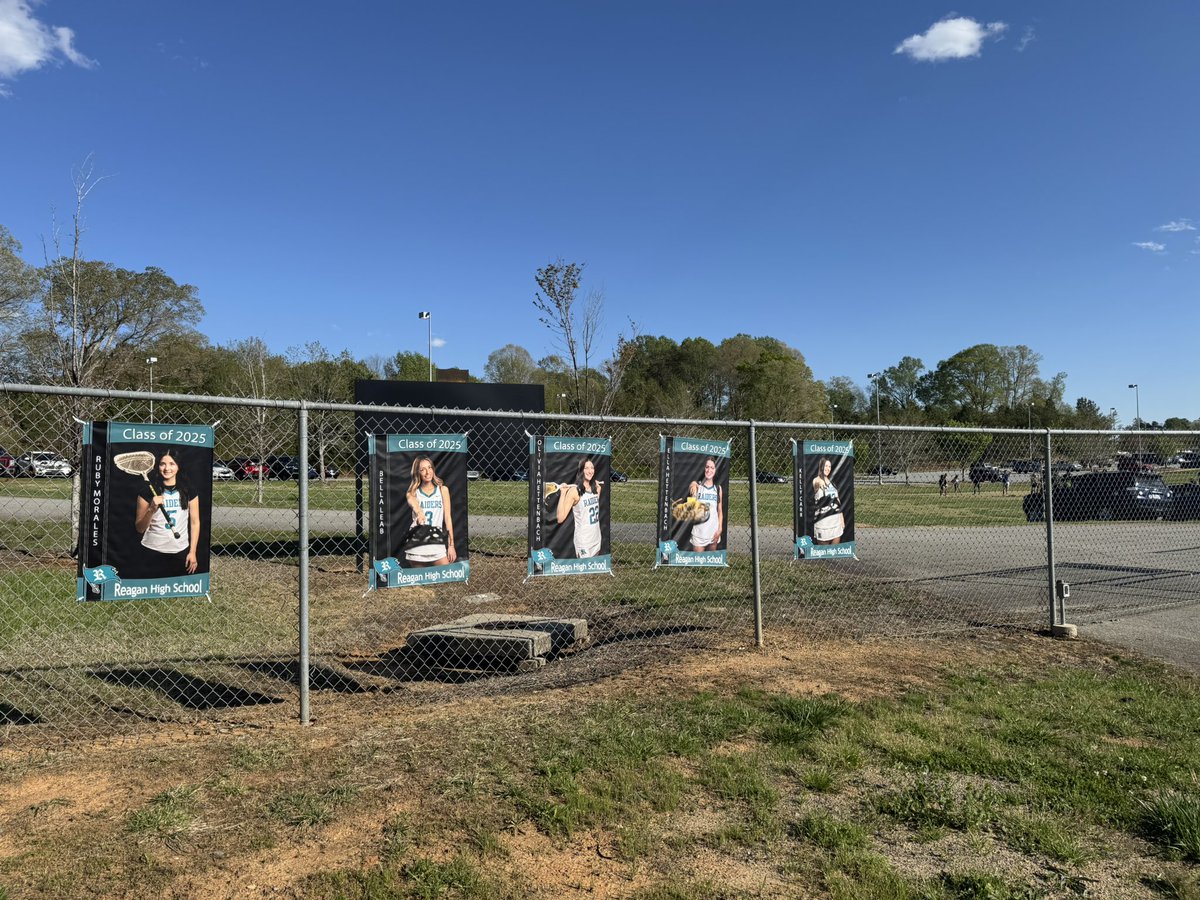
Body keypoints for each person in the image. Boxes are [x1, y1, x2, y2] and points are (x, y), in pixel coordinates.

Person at [135, 450, 201, 578]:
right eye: (162, 464)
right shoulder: (147, 492)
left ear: (178, 466)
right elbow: (139, 528)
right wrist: (151, 509)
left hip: (181, 550)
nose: (167, 468)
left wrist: (192, 552)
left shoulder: (189, 491)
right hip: (151, 550)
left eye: (172, 464)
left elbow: (195, 522)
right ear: (157, 466)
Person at [404, 456, 456, 567]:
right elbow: (412, 502)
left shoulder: (442, 490)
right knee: (419, 582)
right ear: (417, 473)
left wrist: (451, 545)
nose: (427, 472)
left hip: (436, 541)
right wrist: (419, 512)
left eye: (429, 467)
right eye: (422, 469)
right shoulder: (413, 492)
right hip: (417, 543)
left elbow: (447, 518)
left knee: (446, 578)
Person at [555, 456, 604, 558]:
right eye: (586, 468)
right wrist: (563, 494)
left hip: (596, 538)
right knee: (585, 572)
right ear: (581, 470)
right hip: (584, 541)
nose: (590, 471)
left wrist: (597, 490)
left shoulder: (596, 489)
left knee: (594, 572)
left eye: (592, 468)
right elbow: (560, 518)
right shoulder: (574, 491)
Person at [688, 457, 723, 551]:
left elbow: (720, 511)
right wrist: (693, 486)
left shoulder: (718, 488)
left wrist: (720, 529)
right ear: (703, 468)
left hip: (713, 533)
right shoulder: (697, 486)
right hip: (699, 534)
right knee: (698, 564)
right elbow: (691, 509)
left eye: (712, 468)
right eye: (707, 467)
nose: (709, 470)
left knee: (711, 563)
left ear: (715, 470)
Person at [811, 457, 845, 545]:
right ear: (821, 466)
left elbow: (838, 501)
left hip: (835, 523)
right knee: (824, 554)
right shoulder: (816, 480)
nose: (828, 468)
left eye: (829, 466)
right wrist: (821, 483)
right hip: (823, 523)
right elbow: (816, 483)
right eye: (826, 466)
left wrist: (842, 519)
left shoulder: (832, 482)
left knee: (834, 553)